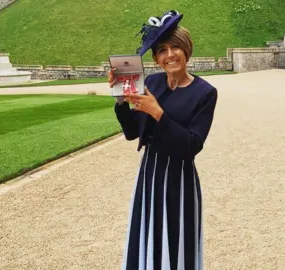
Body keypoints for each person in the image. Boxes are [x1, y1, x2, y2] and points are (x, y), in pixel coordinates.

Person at [108, 10, 218, 270]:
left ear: (186, 49)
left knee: (175, 240)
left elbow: (192, 145)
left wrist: (157, 112)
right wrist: (121, 101)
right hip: (150, 174)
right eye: (162, 50)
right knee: (147, 236)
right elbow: (134, 132)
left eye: (175, 48)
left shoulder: (204, 93)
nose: (169, 55)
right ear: (156, 59)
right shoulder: (152, 83)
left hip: (179, 179)